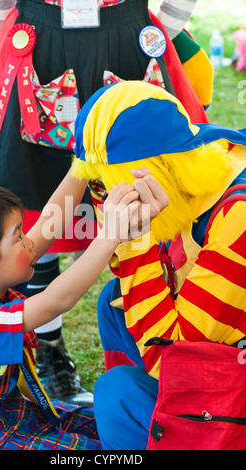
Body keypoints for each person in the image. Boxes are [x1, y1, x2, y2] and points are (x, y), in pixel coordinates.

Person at [0, 0, 209, 405]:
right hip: (35, 44)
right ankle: (49, 352)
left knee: (143, 190)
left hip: (128, 41)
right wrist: (2, 55)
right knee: (30, 196)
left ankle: (146, 344)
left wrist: (156, 31)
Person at [70, 80, 246, 450]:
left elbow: (177, 360)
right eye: (98, 188)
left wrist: (135, 240)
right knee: (113, 301)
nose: (102, 200)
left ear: (158, 173)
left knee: (116, 393)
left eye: (110, 187)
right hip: (218, 328)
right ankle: (153, 420)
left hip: (223, 359)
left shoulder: (239, 218)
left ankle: (157, 425)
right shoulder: (204, 156)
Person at [0, 178, 145, 450]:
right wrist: (110, 235)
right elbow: (56, 301)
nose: (29, 242)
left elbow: (49, 224)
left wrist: (81, 167)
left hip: (11, 412)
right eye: (18, 237)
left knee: (112, 424)